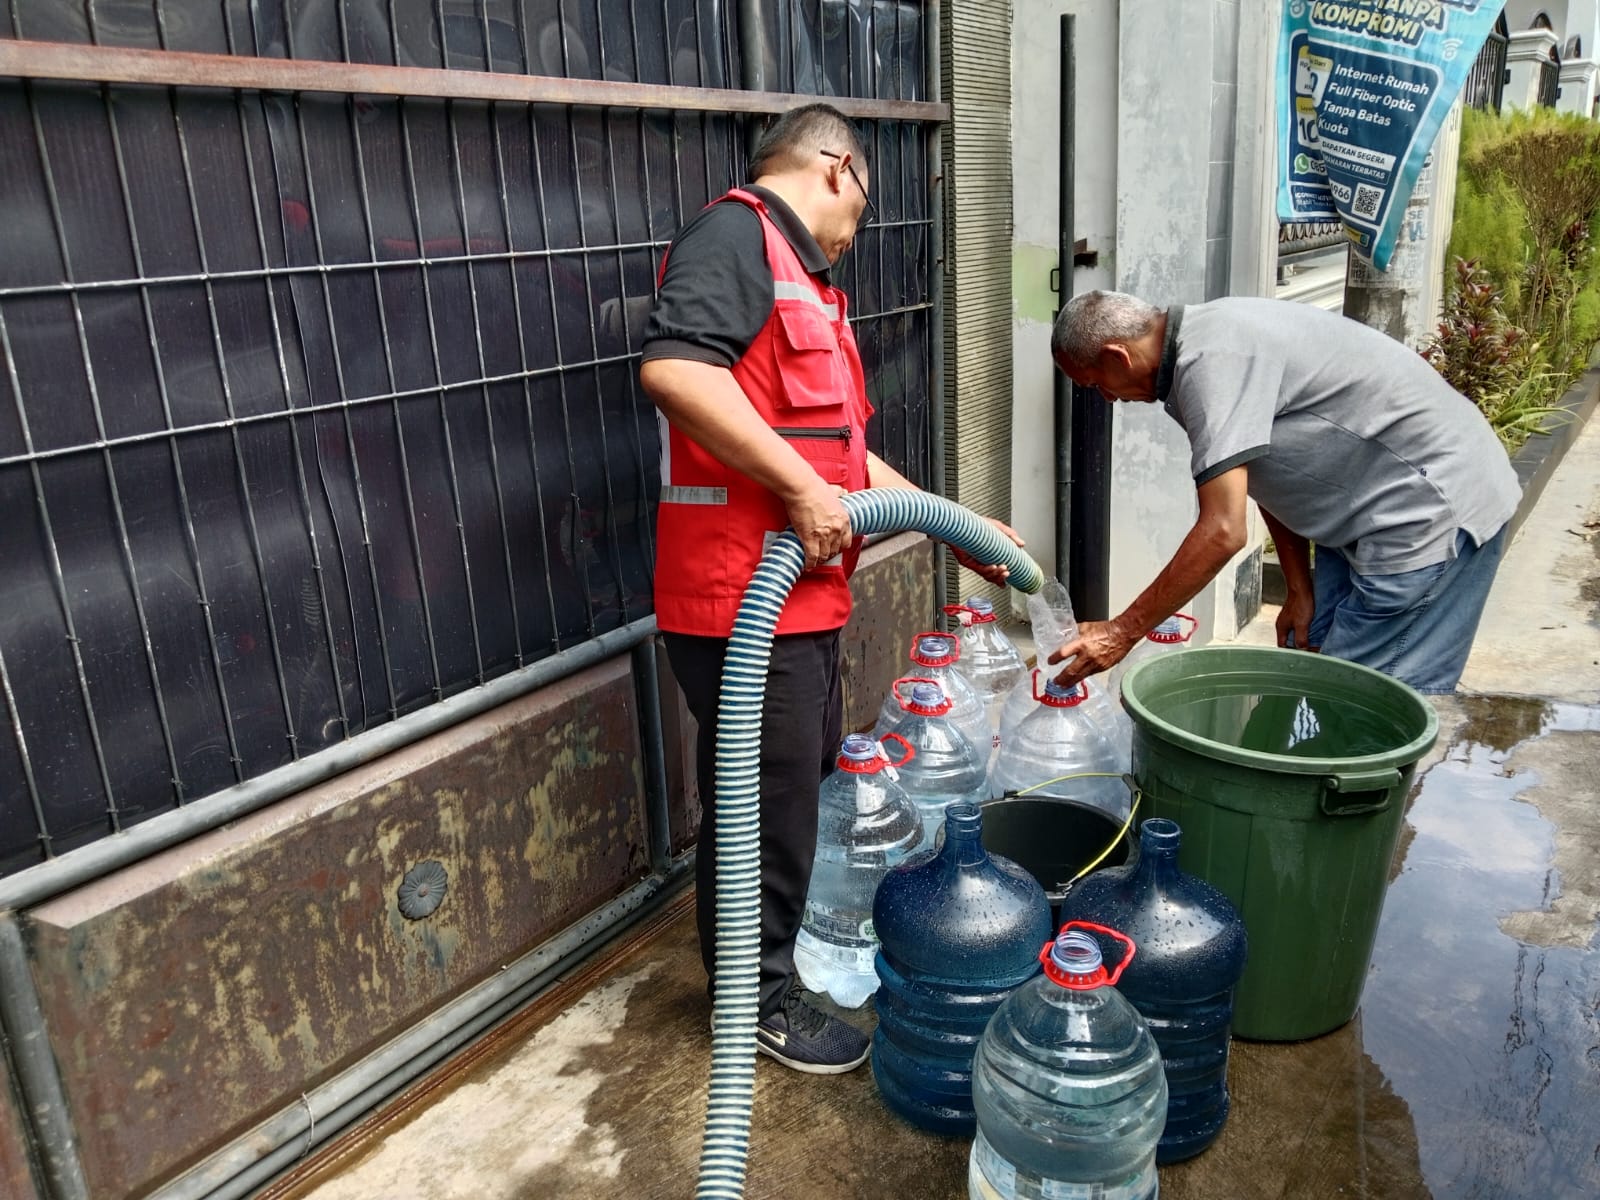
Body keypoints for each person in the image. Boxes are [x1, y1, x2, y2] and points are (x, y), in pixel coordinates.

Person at [639, 103, 1019, 1074]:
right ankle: (754, 1006)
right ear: (839, 167)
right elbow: (677, 372)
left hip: (800, 602)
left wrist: (959, 527)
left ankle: (774, 974)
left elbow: (841, 459)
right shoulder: (736, 237)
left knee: (795, 796)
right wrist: (806, 492)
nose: (855, 232)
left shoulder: (801, 283)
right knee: (765, 808)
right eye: (864, 204)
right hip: (740, 597)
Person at [1046, 291, 1519, 696]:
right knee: (1317, 667)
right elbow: (1266, 470)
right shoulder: (1206, 338)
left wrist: (1122, 631)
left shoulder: (1212, 366)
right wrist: (1298, 587)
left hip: (1427, 510)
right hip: (1362, 512)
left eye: (1095, 385)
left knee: (1366, 707)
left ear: (1116, 357)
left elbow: (1223, 532)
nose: (1107, 399)